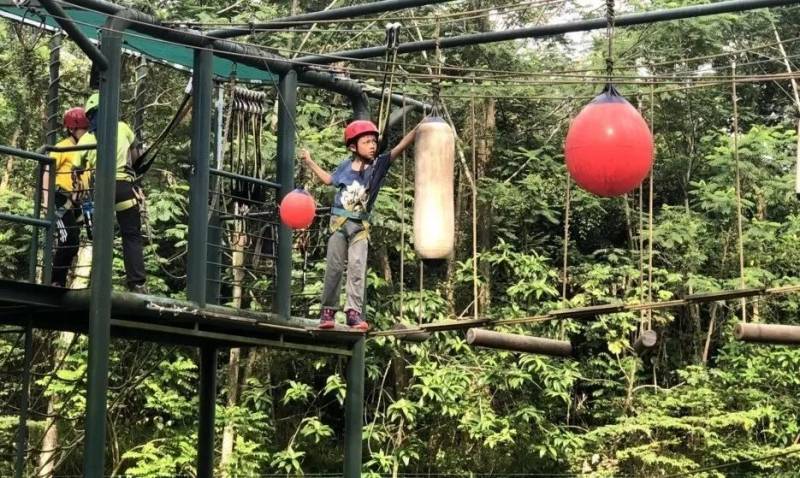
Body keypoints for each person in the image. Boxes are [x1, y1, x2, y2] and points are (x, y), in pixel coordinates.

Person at [301, 119, 419, 330]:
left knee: (357, 268)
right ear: (353, 147)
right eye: (367, 142)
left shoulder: (378, 165)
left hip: (359, 227)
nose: (372, 145)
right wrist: (310, 162)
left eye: (374, 141)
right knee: (334, 267)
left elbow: (400, 146)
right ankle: (328, 312)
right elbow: (328, 180)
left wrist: (420, 127)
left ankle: (353, 313)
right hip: (338, 223)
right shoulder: (345, 166)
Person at [77, 92, 148, 293]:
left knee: (101, 237)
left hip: (100, 190)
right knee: (131, 235)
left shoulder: (86, 138)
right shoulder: (123, 127)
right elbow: (136, 156)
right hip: (123, 187)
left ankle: (99, 283)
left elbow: (76, 168)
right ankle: (137, 283)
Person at [46, 107, 90, 287]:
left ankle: (61, 281)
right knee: (68, 239)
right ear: (71, 129)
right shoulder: (63, 147)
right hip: (60, 198)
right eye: (82, 129)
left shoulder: (86, 149)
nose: (86, 132)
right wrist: (47, 201)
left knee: (75, 242)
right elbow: (47, 170)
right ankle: (56, 282)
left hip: (77, 202)